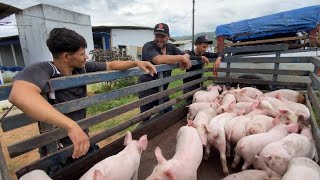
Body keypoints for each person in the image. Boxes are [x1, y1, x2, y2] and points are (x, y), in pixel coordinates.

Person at [8, 27, 157, 173]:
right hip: (58, 151)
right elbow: (19, 95)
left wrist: (136, 63)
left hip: (83, 141)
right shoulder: (44, 69)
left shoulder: (82, 68)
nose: (86, 57)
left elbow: (111, 65)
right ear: (66, 56)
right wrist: (71, 126)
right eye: (82, 53)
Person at [138, 23, 192, 120]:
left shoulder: (171, 47)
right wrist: (181, 58)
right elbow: (158, 60)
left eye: (162, 36)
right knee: (145, 118)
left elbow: (186, 54)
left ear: (168, 37)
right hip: (147, 90)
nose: (159, 39)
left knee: (168, 114)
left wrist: (185, 58)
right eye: (157, 35)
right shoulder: (148, 46)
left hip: (162, 89)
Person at [183, 35, 224, 101]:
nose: (205, 49)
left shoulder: (204, 53)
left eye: (207, 47)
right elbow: (186, 56)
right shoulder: (190, 53)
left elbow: (220, 53)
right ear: (197, 45)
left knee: (199, 100)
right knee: (190, 101)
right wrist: (201, 57)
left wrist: (218, 59)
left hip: (199, 82)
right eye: (203, 46)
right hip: (189, 83)